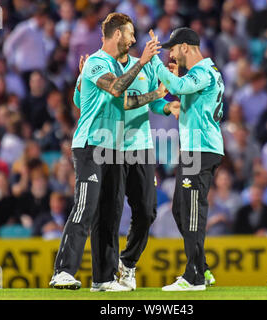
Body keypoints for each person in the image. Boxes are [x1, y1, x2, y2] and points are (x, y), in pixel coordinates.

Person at [49, 13, 161, 292]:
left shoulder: (110, 65)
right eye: (130, 34)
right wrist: (144, 63)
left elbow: (91, 99)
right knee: (85, 206)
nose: (134, 40)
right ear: (117, 35)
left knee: (110, 214)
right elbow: (115, 89)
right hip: (90, 145)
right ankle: (62, 271)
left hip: (115, 147)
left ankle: (103, 278)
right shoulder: (97, 62)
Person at [73, 42, 180, 291]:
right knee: (110, 211)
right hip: (113, 145)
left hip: (141, 146)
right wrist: (80, 81)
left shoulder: (144, 67)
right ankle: (103, 276)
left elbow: (154, 102)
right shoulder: (102, 68)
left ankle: (127, 263)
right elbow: (81, 102)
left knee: (147, 209)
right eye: (129, 36)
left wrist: (168, 105)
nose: (131, 41)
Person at [147, 27, 224, 291]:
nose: (171, 53)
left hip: (201, 149)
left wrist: (154, 63)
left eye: (173, 48)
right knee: (181, 208)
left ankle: (194, 278)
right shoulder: (203, 73)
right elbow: (182, 93)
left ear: (186, 47)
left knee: (192, 210)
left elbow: (179, 87)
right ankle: (201, 267)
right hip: (195, 148)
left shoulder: (203, 71)